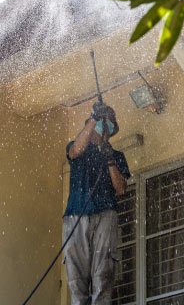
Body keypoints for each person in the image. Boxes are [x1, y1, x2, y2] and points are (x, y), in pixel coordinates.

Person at [63, 101, 130, 305]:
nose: (103, 130)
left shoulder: (117, 156)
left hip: (105, 214)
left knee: (103, 273)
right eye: (102, 124)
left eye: (107, 126)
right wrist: (94, 117)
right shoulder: (79, 148)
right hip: (76, 215)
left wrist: (109, 159)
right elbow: (75, 150)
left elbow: (120, 188)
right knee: (77, 277)